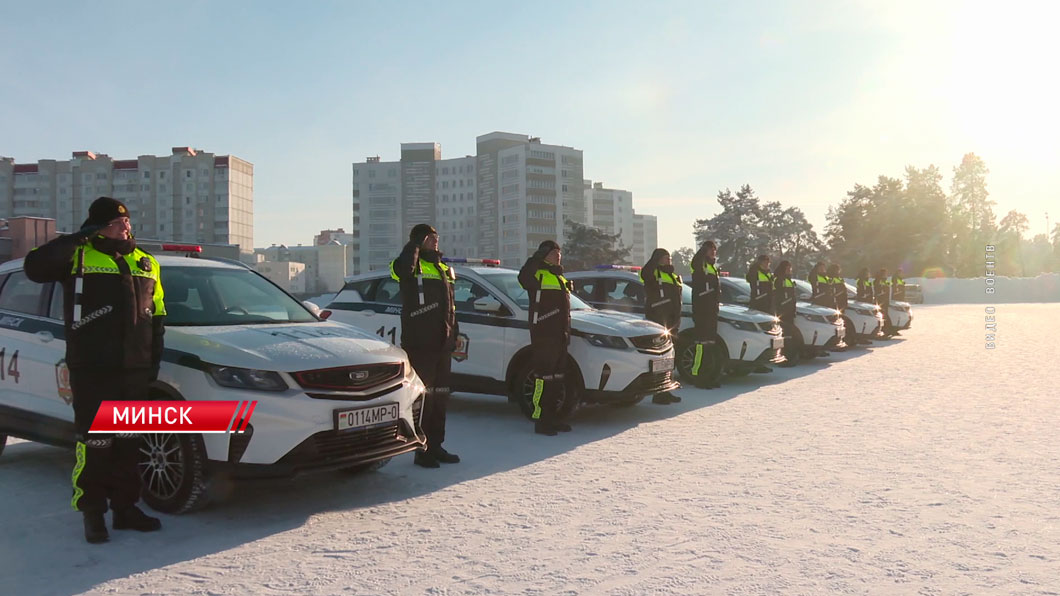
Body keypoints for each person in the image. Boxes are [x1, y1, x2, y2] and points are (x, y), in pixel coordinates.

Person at [24, 197, 165, 544]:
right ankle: (93, 513)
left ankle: (126, 509)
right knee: (96, 442)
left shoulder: (146, 263)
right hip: (92, 368)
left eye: (127, 221)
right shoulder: (79, 257)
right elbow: (35, 268)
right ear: (97, 227)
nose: (125, 227)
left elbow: (158, 315)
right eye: (116, 223)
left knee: (129, 443)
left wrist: (152, 362)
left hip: (134, 367)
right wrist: (76, 238)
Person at [390, 224, 460, 468]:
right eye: (430, 238)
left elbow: (450, 306)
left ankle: (436, 445)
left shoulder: (442, 268)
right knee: (422, 398)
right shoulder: (410, 263)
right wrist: (414, 246)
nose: (435, 241)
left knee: (440, 396)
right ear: (419, 240)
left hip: (443, 343)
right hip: (421, 342)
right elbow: (403, 271)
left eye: (437, 237)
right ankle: (421, 449)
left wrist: (455, 333)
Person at [518, 240, 574, 436]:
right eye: (553, 252)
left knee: (557, 379)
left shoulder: (559, 277)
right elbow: (523, 278)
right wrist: (536, 258)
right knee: (543, 379)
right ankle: (541, 420)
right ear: (543, 254)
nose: (557, 255)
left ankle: (553, 418)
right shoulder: (537, 273)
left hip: (560, 334)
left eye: (559, 252)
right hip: (544, 334)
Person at [640, 248, 682, 404]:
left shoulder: (671, 275)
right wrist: (654, 262)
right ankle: (658, 393)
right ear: (657, 259)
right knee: (660, 357)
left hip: (672, 321)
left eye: (669, 258)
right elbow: (645, 274)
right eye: (665, 258)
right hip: (659, 319)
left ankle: (666, 389)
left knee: (670, 357)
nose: (668, 260)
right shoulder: (654, 272)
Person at [689, 241, 723, 389]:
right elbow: (695, 263)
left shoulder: (712, 267)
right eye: (711, 250)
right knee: (701, 346)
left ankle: (709, 376)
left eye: (714, 250)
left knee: (710, 346)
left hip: (711, 312)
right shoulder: (700, 264)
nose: (713, 252)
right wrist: (702, 252)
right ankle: (698, 376)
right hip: (702, 311)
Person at [772, 260, 799, 366]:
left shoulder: (788, 280)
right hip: (782, 313)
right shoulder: (778, 280)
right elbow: (776, 297)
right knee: (784, 336)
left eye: (790, 268)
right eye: (788, 268)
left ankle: (790, 357)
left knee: (790, 337)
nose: (789, 270)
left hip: (789, 312)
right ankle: (784, 358)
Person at [874, 267, 896, 337]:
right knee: (882, 316)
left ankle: (886, 330)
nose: (886, 275)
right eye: (884, 274)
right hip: (880, 301)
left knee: (885, 316)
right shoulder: (878, 280)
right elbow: (878, 290)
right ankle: (882, 331)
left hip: (885, 301)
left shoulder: (885, 281)